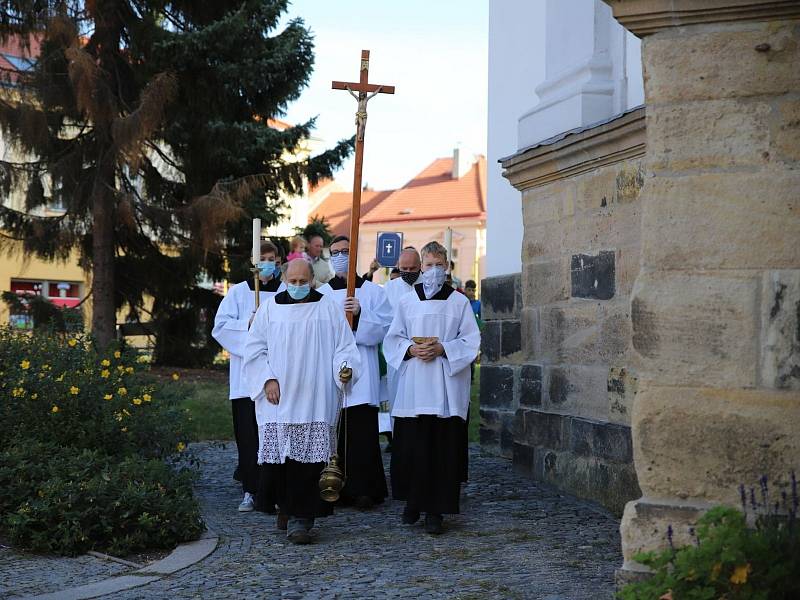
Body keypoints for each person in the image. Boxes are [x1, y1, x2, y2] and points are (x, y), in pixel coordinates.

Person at [243, 259, 361, 544]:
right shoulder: (270, 309)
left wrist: (344, 369)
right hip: (279, 395)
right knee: (282, 461)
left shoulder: (328, 307)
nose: (298, 286)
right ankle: (285, 507)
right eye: (292, 281)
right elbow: (254, 349)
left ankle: (302, 519)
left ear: (312, 280)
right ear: (284, 280)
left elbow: (344, 347)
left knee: (309, 463)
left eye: (303, 281)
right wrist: (267, 379)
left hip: (315, 395)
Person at [384, 241, 480, 535]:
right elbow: (393, 338)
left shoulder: (459, 302)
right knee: (414, 448)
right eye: (429, 265)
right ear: (421, 267)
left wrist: (443, 348)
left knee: (441, 450)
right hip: (415, 387)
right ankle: (413, 503)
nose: (433, 271)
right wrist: (411, 351)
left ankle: (436, 510)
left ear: (447, 268)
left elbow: (471, 341)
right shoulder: (406, 301)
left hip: (445, 389)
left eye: (439, 265)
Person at [316, 235, 392, 509]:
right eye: (334, 252)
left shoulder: (373, 292)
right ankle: (333, 486)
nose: (339, 256)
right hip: (331, 369)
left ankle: (364, 489)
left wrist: (360, 315)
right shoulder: (322, 294)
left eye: (345, 251)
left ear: (354, 254)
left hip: (363, 371)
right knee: (335, 432)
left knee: (362, 433)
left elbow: (386, 329)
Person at [212, 241, 285, 513]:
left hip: (275, 377)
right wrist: (247, 325)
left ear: (278, 261)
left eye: (272, 258)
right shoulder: (240, 293)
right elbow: (220, 328)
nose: (267, 263)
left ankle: (273, 491)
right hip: (245, 379)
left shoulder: (284, 292)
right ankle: (250, 490)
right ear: (253, 262)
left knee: (274, 436)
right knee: (248, 437)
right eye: (262, 258)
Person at [382, 247, 422, 412]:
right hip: (398, 354)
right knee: (397, 401)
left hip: (423, 352)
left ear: (420, 266)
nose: (408, 272)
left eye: (412, 268)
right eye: (404, 269)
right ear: (398, 265)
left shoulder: (428, 285)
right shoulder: (389, 288)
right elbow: (384, 321)